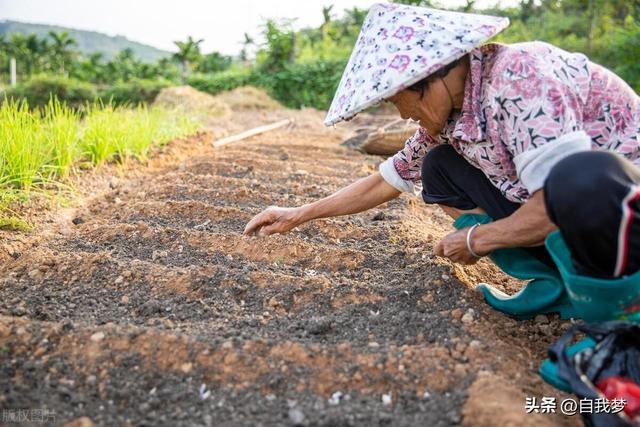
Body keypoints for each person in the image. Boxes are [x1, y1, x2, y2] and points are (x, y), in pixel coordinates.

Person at [243, 3, 640, 281]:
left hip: (620, 216)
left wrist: (477, 238)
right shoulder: (447, 119)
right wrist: (297, 214)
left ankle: (608, 292)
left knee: (577, 176)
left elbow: (563, 196)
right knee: (439, 168)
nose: (402, 116)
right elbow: (386, 180)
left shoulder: (520, 77)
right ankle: (556, 276)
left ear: (433, 78)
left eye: (402, 102)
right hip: (566, 216)